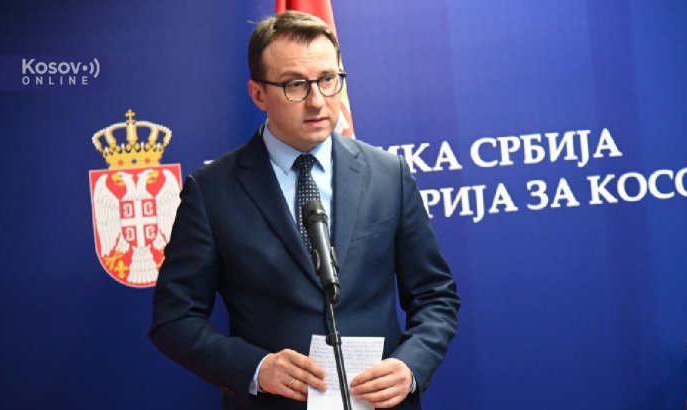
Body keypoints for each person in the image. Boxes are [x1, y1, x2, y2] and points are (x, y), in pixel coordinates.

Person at [150, 10, 459, 410]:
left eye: (328, 80)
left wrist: (411, 365)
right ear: (258, 94)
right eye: (295, 85)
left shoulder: (388, 174)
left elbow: (436, 296)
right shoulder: (211, 192)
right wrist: (256, 368)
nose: (317, 101)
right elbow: (174, 319)